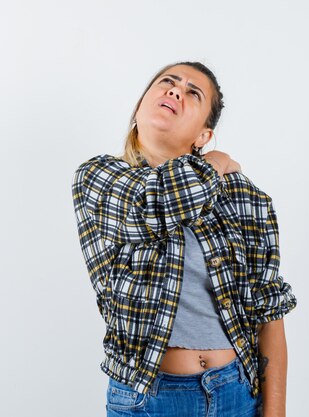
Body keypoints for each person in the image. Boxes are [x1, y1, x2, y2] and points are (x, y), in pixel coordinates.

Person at [71, 61, 297, 417]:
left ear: (203, 136)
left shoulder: (243, 196)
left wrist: (275, 412)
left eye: (193, 93)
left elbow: (268, 309)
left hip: (235, 393)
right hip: (149, 399)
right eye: (167, 82)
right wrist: (215, 164)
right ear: (138, 109)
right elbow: (154, 204)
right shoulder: (100, 177)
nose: (176, 91)